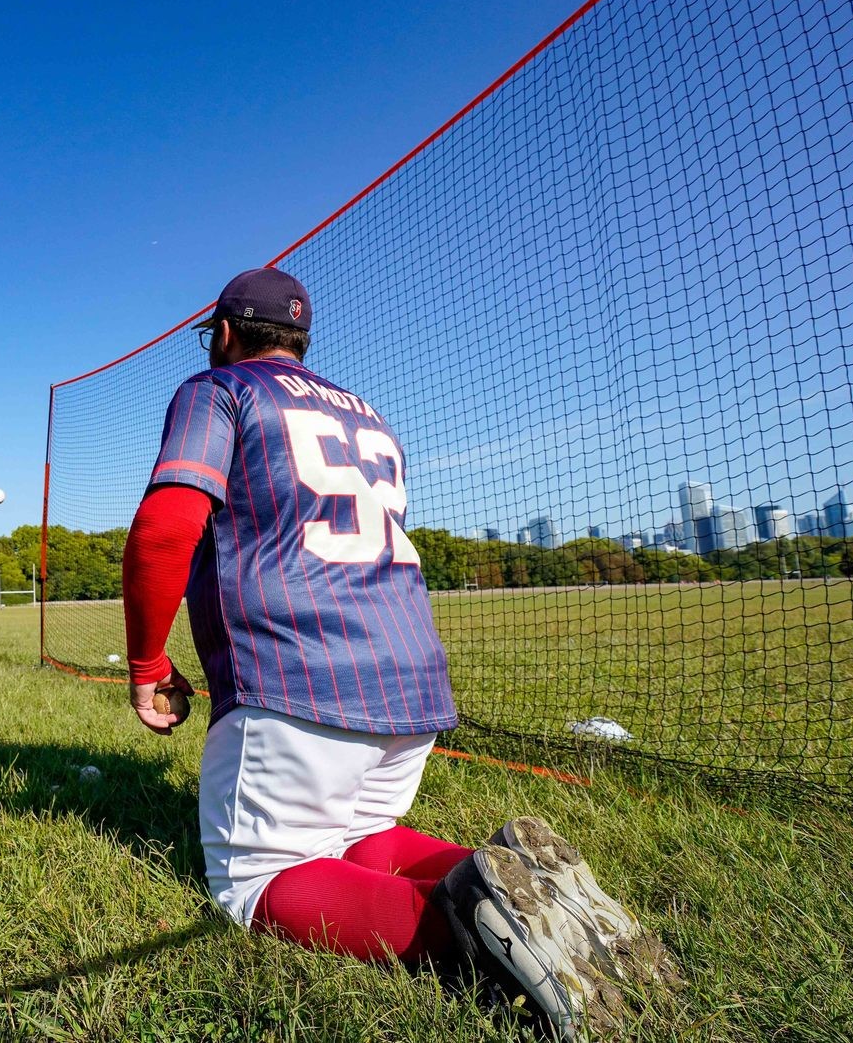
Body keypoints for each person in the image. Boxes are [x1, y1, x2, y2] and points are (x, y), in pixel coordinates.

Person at [121, 268, 664, 1041]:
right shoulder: (368, 413)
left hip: (297, 676)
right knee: (357, 839)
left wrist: (147, 664)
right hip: (410, 679)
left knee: (257, 879)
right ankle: (523, 886)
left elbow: (167, 525)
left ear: (227, 334)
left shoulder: (224, 389)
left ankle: (473, 939)